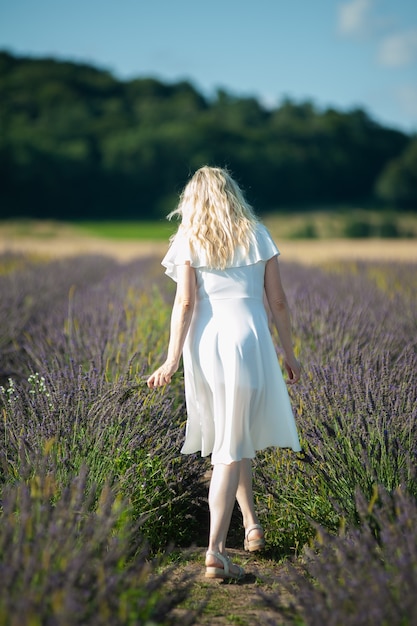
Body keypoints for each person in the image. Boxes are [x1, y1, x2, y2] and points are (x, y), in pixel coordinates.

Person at [147, 166, 301, 580]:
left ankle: (250, 524)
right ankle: (215, 550)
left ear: (191, 199)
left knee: (232, 437)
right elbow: (279, 303)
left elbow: (183, 305)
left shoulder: (189, 240)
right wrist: (289, 353)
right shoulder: (257, 233)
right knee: (230, 446)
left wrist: (171, 359)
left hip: (206, 344)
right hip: (249, 342)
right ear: (234, 193)